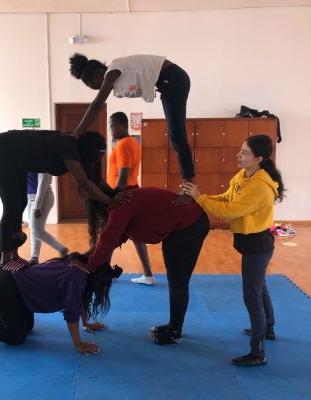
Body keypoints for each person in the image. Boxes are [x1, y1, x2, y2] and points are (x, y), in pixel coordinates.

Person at [183, 134, 285, 367]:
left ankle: (258, 353)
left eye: (245, 153)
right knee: (260, 288)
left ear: (258, 158)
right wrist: (203, 198)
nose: (238, 155)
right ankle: (268, 328)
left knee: (252, 295)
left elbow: (231, 210)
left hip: (258, 245)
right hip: (250, 242)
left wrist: (200, 199)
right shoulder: (243, 175)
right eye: (240, 151)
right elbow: (227, 197)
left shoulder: (260, 186)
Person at [76, 185, 210, 345]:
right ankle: (173, 326)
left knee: (178, 281)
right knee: (174, 279)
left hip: (189, 224)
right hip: (179, 226)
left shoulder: (120, 207)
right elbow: (113, 239)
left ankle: (175, 333)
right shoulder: (122, 204)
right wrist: (86, 258)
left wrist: (88, 267)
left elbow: (109, 238)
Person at [0, 130, 128, 267]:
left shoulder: (81, 152)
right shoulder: (68, 147)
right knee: (11, 206)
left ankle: (14, 256)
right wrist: (110, 201)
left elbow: (96, 179)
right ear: (88, 150)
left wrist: (113, 193)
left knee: (20, 203)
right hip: (0, 150)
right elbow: (84, 182)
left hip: (18, 161)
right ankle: (5, 259)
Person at [69, 53, 195, 202]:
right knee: (176, 136)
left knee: (177, 137)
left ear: (99, 73)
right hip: (169, 82)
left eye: (96, 85)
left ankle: (189, 190)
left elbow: (97, 103)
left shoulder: (112, 71)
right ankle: (189, 188)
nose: (99, 89)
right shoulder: (117, 70)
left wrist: (77, 132)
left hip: (173, 79)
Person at [0, 253, 123, 355]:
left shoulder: (78, 267)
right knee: (16, 336)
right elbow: (72, 313)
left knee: (27, 326)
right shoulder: (77, 280)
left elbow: (80, 301)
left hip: (16, 288)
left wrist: (86, 323)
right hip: (7, 286)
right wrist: (78, 344)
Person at [107, 111, 154, 285]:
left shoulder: (123, 145)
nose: (110, 129)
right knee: (136, 235)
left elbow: (123, 175)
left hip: (123, 195)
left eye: (112, 125)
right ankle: (148, 275)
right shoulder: (133, 142)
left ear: (122, 125)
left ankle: (103, 273)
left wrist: (113, 198)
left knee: (109, 234)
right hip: (132, 192)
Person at [27, 172, 68, 264]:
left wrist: (37, 206)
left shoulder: (40, 160)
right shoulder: (26, 159)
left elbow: (43, 183)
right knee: (34, 230)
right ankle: (34, 258)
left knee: (37, 232)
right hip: (30, 198)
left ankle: (62, 249)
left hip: (43, 198)